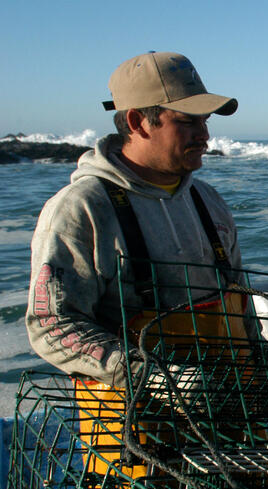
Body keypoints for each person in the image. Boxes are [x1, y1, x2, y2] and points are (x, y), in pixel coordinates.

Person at [27, 51, 241, 387]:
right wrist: (146, 374)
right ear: (137, 122)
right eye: (187, 121)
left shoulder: (209, 201)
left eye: (206, 120)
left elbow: (240, 296)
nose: (205, 135)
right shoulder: (81, 209)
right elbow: (51, 326)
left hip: (233, 406)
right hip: (134, 423)